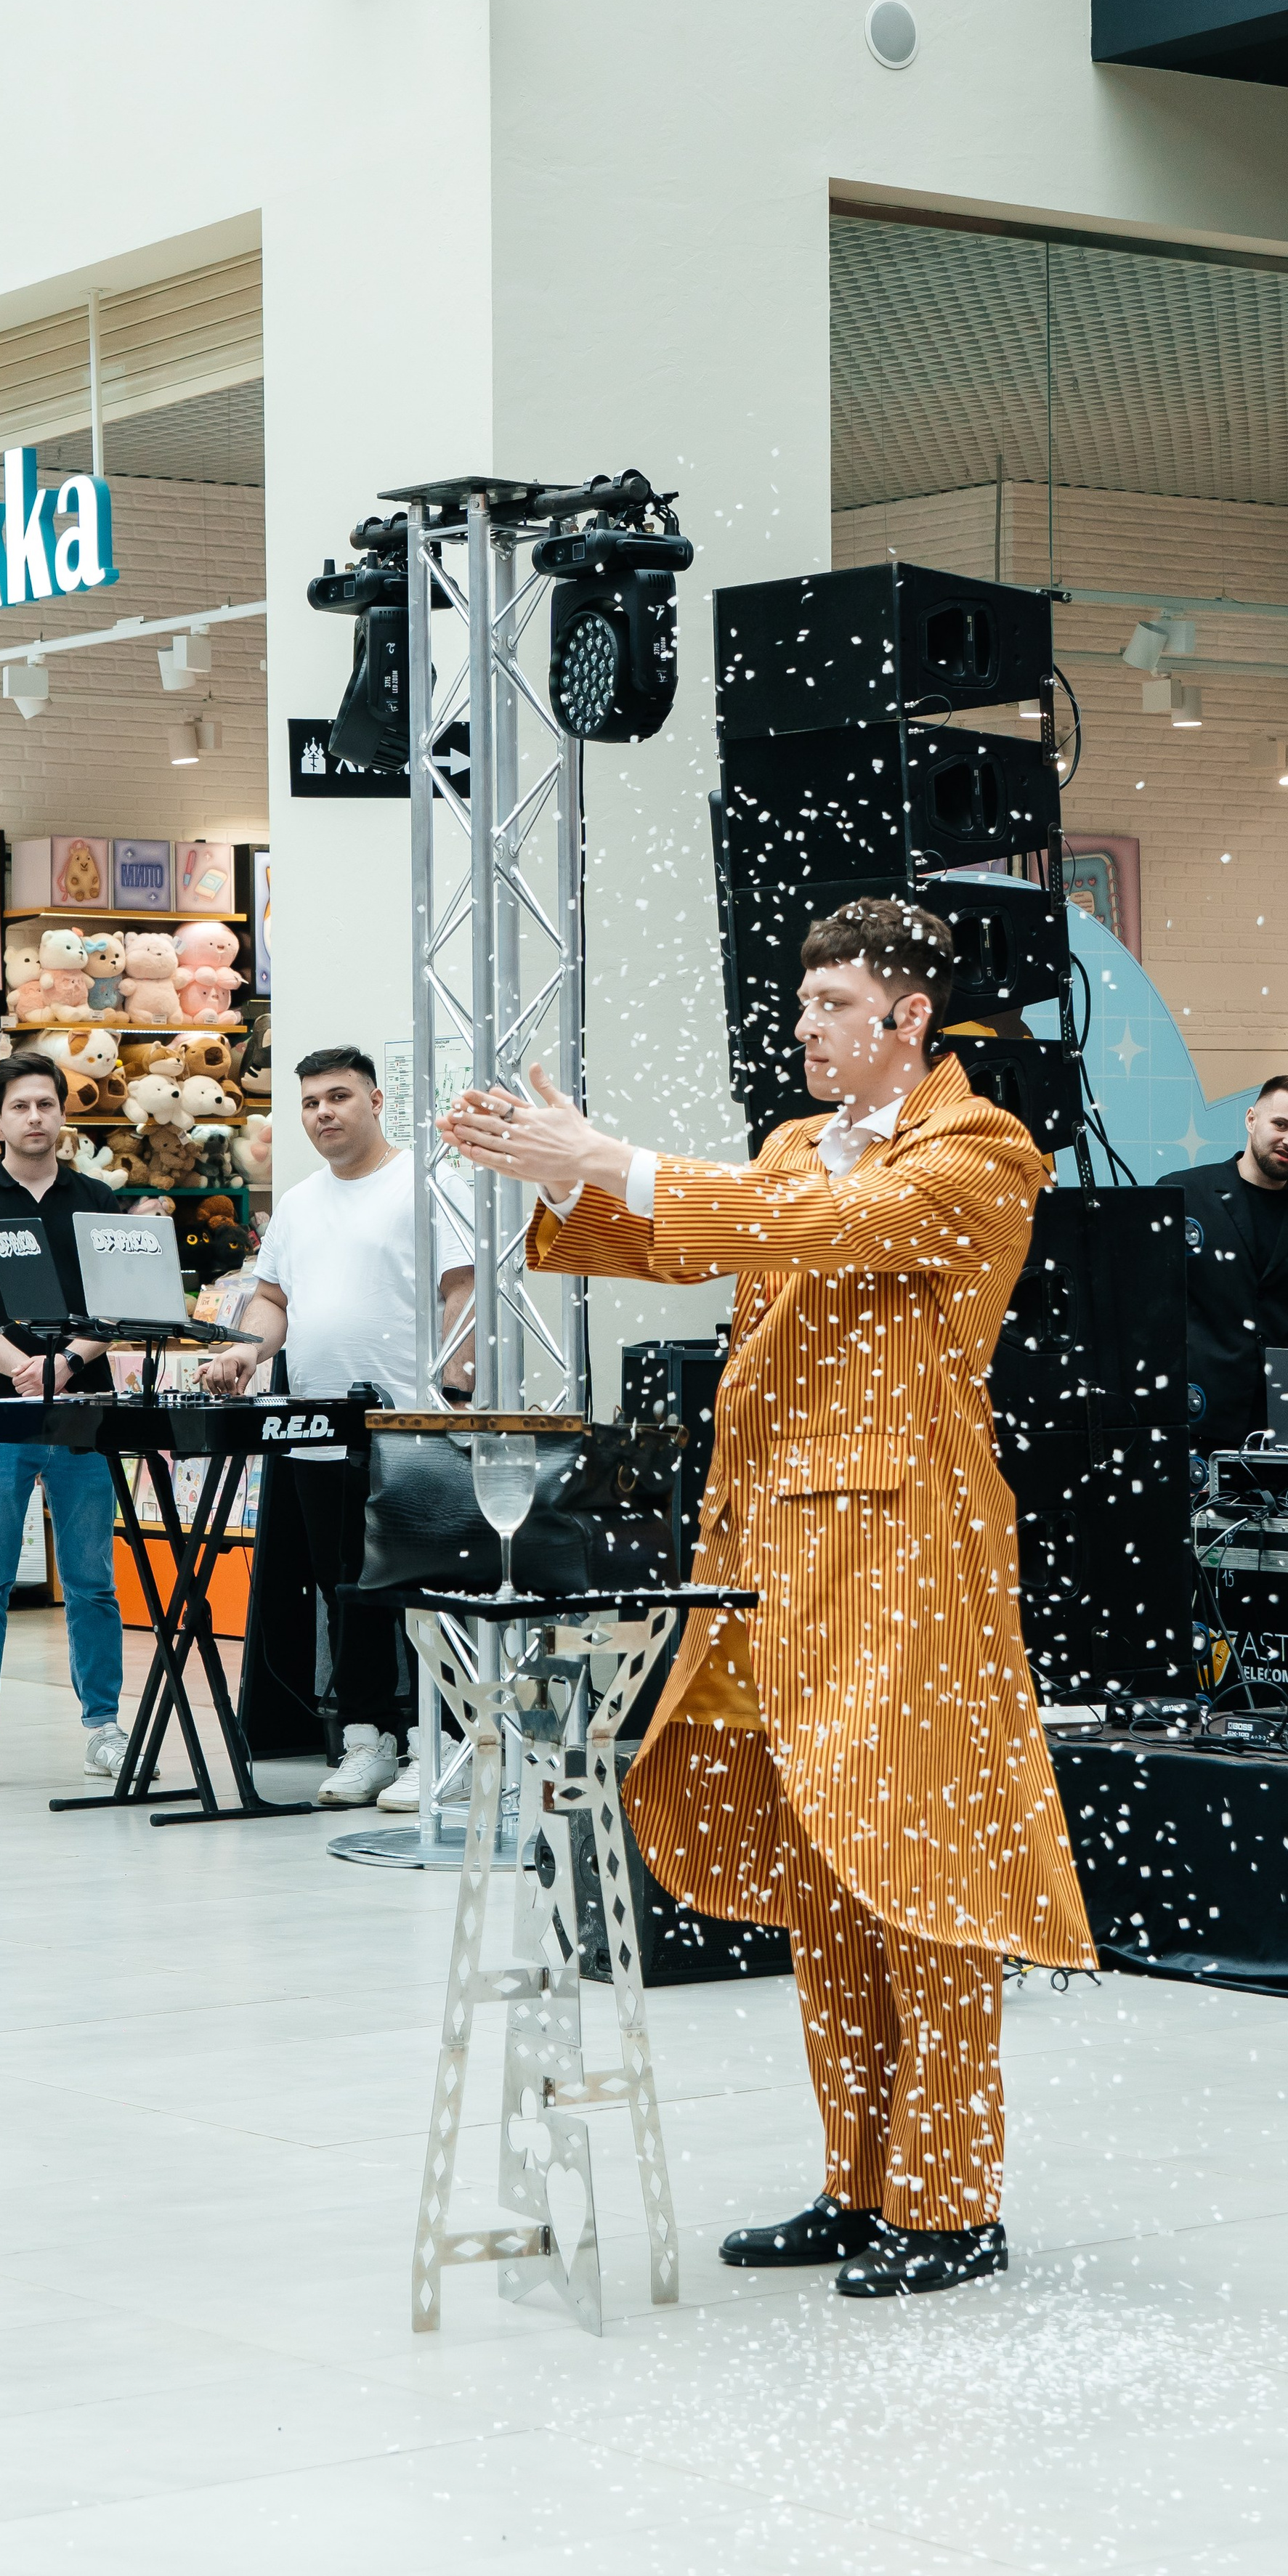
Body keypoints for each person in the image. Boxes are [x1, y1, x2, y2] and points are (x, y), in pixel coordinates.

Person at [440, 895, 1095, 2301]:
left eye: (828, 1009)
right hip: (768, 1557)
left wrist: (608, 1153)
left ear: (905, 1019)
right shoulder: (797, 1145)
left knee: (923, 1879)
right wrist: (561, 1181)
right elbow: (693, 1243)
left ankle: (948, 2204)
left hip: (906, 1557)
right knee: (828, 1882)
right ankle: (856, 2187)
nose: (800, 1030)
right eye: (800, 1007)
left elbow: (819, 1225)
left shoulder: (979, 1150)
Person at [200, 1046, 473, 1809]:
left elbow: (465, 1290)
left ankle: (439, 1741)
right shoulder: (297, 1203)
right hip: (317, 1427)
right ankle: (367, 1740)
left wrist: (451, 1391)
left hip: (410, 1429)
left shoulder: (427, 1185)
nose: (324, 1113)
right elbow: (273, 1302)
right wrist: (244, 1353)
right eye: (311, 1102)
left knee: (419, 1587)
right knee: (344, 1588)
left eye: (338, 1097)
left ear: (377, 1101)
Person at [0, 1049, 166, 1796]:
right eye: (21, 1106)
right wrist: (18, 1366)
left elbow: (124, 1302)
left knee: (93, 1580)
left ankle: (103, 1726)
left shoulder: (95, 1196)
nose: (35, 1118)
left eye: (47, 1105)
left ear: (63, 1116)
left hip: (83, 1415)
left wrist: (63, 1364)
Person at [1159, 1075, 1288, 1454]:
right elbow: (1146, 1307)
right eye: (1280, 1124)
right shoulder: (1182, 1196)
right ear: (1251, 1120)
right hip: (1193, 1419)